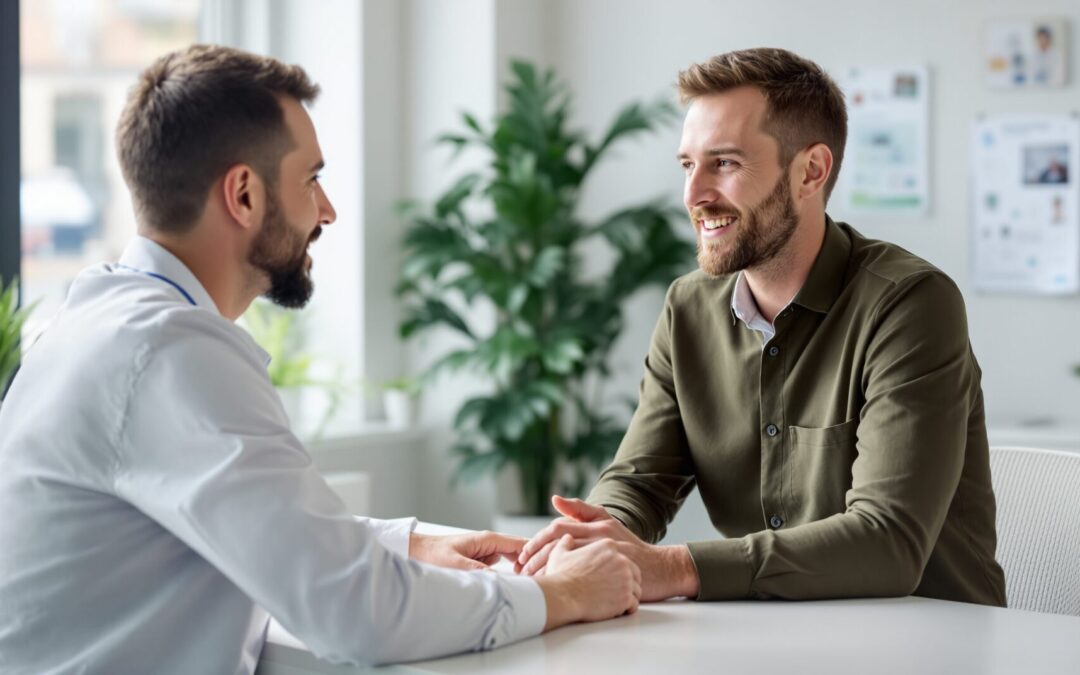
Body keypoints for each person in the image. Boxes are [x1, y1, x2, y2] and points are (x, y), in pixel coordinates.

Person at [0, 45, 641, 674]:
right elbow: (358, 615)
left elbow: (252, 519)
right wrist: (562, 594)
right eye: (311, 179)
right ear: (244, 195)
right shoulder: (168, 349)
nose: (327, 209)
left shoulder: (96, 319)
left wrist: (409, 544)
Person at [516, 48, 1006, 608]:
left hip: (935, 643)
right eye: (687, 165)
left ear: (810, 172)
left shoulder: (909, 304)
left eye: (724, 163)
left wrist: (673, 566)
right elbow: (641, 480)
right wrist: (595, 538)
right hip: (769, 636)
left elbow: (888, 538)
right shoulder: (688, 309)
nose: (693, 195)